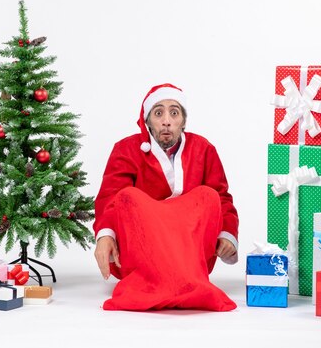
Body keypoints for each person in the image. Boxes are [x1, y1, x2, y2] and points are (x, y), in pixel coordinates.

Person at [93, 83, 239, 284]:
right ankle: (151, 277)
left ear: (183, 121)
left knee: (208, 195)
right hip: (144, 247)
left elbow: (221, 197)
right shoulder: (126, 149)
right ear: (148, 122)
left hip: (189, 248)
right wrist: (105, 235)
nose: (167, 121)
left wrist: (227, 235)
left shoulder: (204, 150)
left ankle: (183, 275)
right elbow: (110, 198)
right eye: (159, 113)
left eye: (174, 113)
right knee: (128, 197)